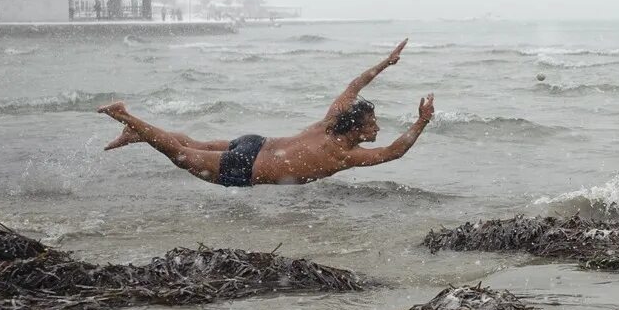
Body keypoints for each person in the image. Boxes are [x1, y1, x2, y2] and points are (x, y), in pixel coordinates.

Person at [99, 39, 435, 187]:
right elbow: (395, 152)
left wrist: (385, 64)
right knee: (181, 155)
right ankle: (126, 117)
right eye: (373, 124)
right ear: (357, 128)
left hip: (254, 144)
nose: (377, 129)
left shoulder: (330, 122)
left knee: (192, 142)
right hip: (246, 167)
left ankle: (136, 133)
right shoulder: (343, 155)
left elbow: (353, 87)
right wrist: (421, 121)